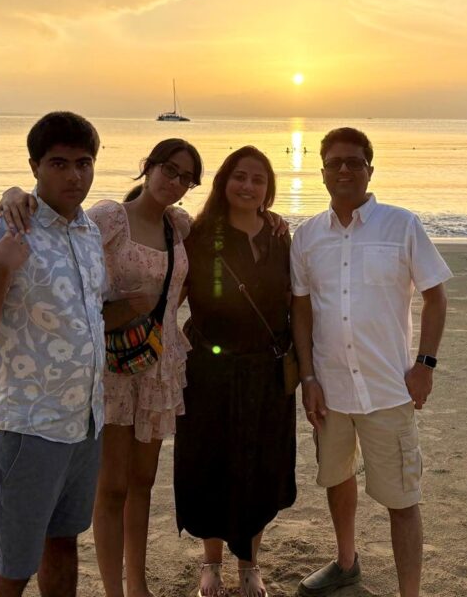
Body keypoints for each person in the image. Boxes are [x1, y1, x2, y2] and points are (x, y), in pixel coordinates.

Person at [0, 138, 201, 597]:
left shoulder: (178, 226)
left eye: (186, 178)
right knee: (111, 486)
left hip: (160, 364)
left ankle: (138, 587)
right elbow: (62, 237)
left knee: (143, 483)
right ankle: (114, 590)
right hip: (112, 364)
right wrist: (15, 194)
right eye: (169, 170)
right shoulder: (110, 218)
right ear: (148, 167)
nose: (175, 182)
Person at [291, 127, 451, 597]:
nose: (344, 169)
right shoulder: (307, 236)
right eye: (335, 162)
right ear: (322, 173)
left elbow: (436, 296)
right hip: (331, 389)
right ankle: (346, 563)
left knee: (402, 498)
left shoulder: (401, 225)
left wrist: (425, 364)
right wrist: (307, 377)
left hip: (388, 388)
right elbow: (301, 309)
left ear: (370, 170)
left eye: (355, 162)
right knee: (337, 478)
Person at [0, 111, 106, 597]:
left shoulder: (88, 232)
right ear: (34, 166)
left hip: (83, 422)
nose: (74, 176)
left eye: (84, 163)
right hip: (24, 425)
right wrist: (0, 271)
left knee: (63, 542)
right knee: (14, 565)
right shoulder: (2, 229)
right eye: (59, 163)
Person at [175, 146, 295, 597]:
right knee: (210, 463)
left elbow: (293, 303)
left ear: (269, 189)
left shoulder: (279, 237)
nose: (248, 186)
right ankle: (211, 563)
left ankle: (249, 563)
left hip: (266, 371)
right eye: (239, 176)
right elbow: (172, 293)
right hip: (208, 370)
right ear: (224, 181)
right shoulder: (199, 234)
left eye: (258, 179)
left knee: (260, 468)